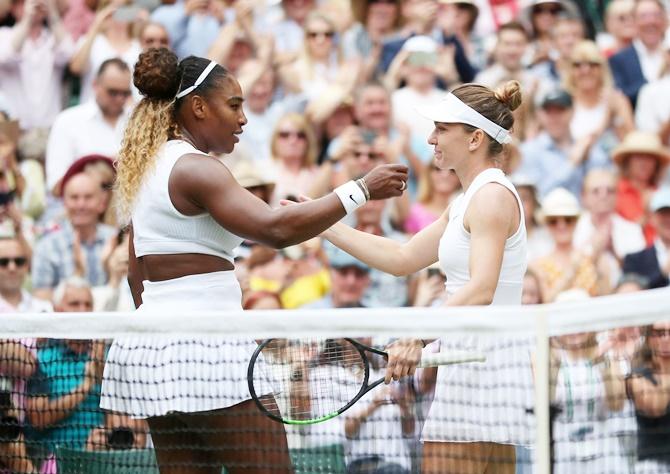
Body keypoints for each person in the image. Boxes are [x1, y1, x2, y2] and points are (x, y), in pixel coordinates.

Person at [100, 47, 407, 473]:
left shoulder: (146, 167)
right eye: (234, 105)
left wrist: (171, 331)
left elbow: (137, 275)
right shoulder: (196, 169)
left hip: (155, 350)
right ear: (199, 107)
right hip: (206, 346)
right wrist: (361, 189)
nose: (243, 118)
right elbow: (275, 229)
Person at [309, 80, 530, 472]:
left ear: (476, 138)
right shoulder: (468, 200)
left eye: (442, 129)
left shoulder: (491, 197)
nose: (431, 139)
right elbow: (402, 256)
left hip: (484, 366)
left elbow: (481, 288)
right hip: (476, 362)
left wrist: (416, 336)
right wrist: (321, 222)